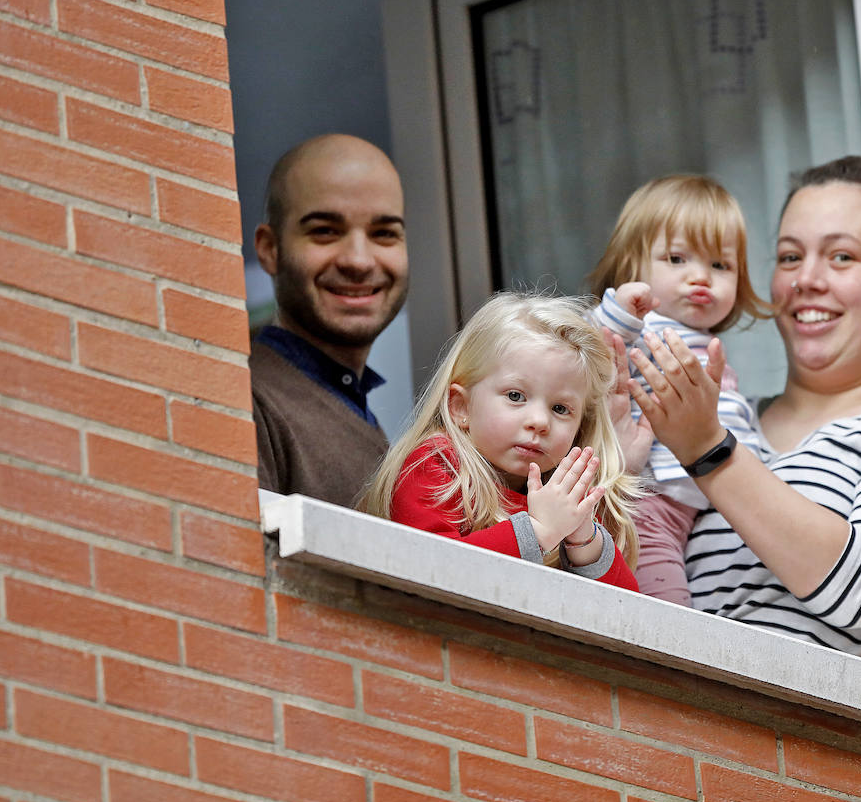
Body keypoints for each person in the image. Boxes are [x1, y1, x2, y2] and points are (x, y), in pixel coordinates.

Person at [623, 156, 861, 668]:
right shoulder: (722, 418)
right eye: (789, 258)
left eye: (842, 257)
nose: (806, 279)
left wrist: (708, 450)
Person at [359, 292, 641, 591]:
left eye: (560, 409)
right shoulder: (435, 465)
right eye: (515, 396)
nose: (540, 422)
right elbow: (429, 568)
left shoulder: (565, 496)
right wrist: (537, 531)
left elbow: (627, 614)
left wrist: (584, 540)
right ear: (460, 407)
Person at [587, 174, 769, 605]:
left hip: (692, 508)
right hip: (647, 501)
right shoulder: (643, 329)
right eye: (677, 259)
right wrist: (620, 308)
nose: (700, 277)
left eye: (720, 266)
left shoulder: (710, 348)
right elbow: (585, 348)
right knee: (669, 614)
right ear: (633, 265)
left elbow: (733, 423)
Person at [249, 133, 408, 508]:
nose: (359, 260)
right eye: (324, 231)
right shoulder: (245, 403)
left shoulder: (361, 418)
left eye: (384, 233)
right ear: (270, 250)